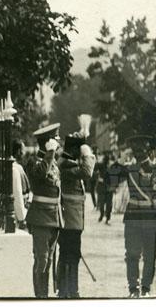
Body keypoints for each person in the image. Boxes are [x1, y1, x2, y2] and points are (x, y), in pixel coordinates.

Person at [123, 135, 156, 298]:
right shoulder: (129, 169)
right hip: (133, 218)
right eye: (136, 151)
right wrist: (122, 158)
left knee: (150, 256)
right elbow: (108, 176)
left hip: (151, 219)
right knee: (132, 254)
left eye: (142, 150)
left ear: (149, 151)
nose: (139, 153)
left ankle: (145, 288)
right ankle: (133, 288)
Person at [55, 128, 95, 298]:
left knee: (69, 255)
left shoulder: (67, 166)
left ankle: (67, 289)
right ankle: (69, 290)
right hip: (70, 220)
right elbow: (88, 171)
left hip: (71, 219)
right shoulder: (68, 168)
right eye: (78, 151)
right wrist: (86, 150)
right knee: (70, 255)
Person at [25, 123, 63, 298]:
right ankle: (39, 297)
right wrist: (50, 153)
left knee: (49, 262)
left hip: (53, 218)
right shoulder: (35, 162)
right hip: (40, 217)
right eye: (55, 139)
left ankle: (44, 297)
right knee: (42, 260)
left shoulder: (52, 163)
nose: (58, 142)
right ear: (48, 142)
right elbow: (40, 175)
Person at [11, 139, 31, 230]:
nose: (24, 154)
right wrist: (22, 218)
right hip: (17, 214)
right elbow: (17, 194)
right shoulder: (15, 169)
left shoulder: (17, 167)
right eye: (23, 150)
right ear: (19, 151)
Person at [94, 153, 116, 224]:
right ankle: (106, 217)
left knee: (103, 202)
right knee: (107, 203)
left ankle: (103, 216)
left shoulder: (102, 165)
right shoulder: (110, 165)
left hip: (104, 186)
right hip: (107, 186)